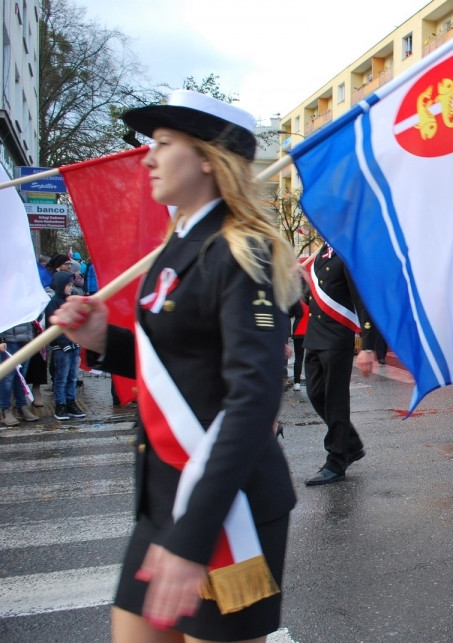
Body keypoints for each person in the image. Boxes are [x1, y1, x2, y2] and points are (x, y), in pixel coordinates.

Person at [49, 89, 300, 641]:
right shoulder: (177, 246)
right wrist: (100, 338)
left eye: (164, 144)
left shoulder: (246, 252)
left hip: (225, 504)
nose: (148, 158)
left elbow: (253, 401)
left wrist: (193, 540)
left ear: (210, 158)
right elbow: (179, 362)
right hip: (166, 494)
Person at [301, 239, 378, 485]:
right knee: (315, 394)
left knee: (335, 401)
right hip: (314, 336)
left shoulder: (348, 251)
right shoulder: (321, 253)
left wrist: (367, 346)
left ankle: (336, 461)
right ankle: (351, 444)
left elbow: (363, 300)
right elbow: (309, 297)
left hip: (336, 338)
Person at [45, 272, 86, 421]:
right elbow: (53, 326)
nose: (71, 287)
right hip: (61, 347)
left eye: (71, 285)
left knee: (72, 376)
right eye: (68, 285)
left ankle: (71, 402)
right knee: (61, 377)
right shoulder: (53, 303)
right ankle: (60, 405)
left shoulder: (69, 302)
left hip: (74, 344)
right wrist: (63, 342)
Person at [0, 321, 40, 426]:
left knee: (21, 378)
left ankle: (21, 407)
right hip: (9, 340)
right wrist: (1, 339)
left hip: (26, 339)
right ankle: (5, 410)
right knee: (8, 378)